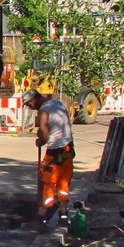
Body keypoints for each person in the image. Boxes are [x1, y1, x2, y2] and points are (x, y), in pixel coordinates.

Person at [27, 88, 74, 229]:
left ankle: (42, 218)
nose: (28, 107)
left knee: (46, 182)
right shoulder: (58, 104)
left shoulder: (43, 111)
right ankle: (64, 216)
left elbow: (45, 134)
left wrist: (40, 141)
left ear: (34, 99)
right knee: (63, 183)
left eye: (28, 104)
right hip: (69, 149)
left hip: (55, 151)